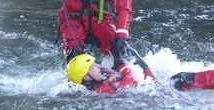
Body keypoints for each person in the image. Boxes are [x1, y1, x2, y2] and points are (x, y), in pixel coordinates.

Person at [66, 54, 214, 94]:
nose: (98, 66)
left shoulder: (98, 82)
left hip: (152, 90)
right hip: (158, 96)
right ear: (85, 76)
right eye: (93, 66)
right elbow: (131, 82)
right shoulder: (103, 88)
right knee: (181, 78)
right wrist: (123, 63)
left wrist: (142, 65)